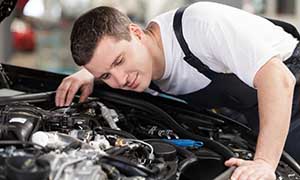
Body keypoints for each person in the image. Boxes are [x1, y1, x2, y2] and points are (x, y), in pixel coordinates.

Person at [55, 2, 300, 180]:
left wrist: (265, 162)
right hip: (244, 115)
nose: (119, 80)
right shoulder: (138, 67)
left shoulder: (201, 27)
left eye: (119, 61)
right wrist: (91, 74)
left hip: (291, 96)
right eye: (106, 75)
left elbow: (279, 79)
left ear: (136, 33)